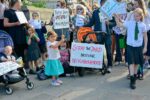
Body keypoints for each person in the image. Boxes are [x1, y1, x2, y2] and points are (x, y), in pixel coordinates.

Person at [115, 8, 148, 89]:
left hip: (138, 47)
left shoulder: (143, 25)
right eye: (134, 16)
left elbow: (145, 37)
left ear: (140, 16)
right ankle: (132, 80)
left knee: (136, 63)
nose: (135, 17)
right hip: (130, 46)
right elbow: (120, 24)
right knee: (131, 63)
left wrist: (145, 47)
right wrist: (116, 18)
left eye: (137, 16)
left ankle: (135, 76)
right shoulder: (130, 23)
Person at [84, 0, 116, 73]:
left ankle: (109, 65)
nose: (105, 5)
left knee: (108, 51)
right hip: (98, 34)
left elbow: (114, 23)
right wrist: (83, 26)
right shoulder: (96, 12)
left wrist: (109, 23)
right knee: (99, 51)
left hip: (107, 34)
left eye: (106, 4)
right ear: (100, 4)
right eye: (103, 4)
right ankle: (101, 65)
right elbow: (91, 23)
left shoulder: (110, 12)